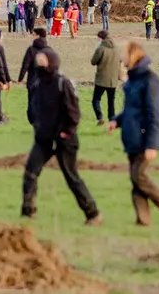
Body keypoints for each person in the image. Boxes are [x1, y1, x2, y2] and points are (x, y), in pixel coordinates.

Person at [21, 48, 101, 225]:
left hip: (64, 138)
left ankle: (93, 213)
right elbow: (35, 109)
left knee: (71, 177)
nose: (40, 66)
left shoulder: (62, 83)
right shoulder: (38, 84)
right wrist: (37, 126)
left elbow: (74, 111)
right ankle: (28, 212)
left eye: (43, 62)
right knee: (30, 172)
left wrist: (67, 131)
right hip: (44, 138)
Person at [109, 41, 159, 227]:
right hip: (132, 136)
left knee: (138, 176)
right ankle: (143, 219)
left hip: (145, 136)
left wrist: (152, 144)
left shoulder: (150, 80)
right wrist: (116, 120)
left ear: (132, 56)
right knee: (135, 177)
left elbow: (154, 114)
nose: (121, 58)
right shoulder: (132, 81)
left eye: (123, 54)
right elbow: (131, 110)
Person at [90, 30, 121, 124]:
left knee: (96, 99)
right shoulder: (116, 49)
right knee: (111, 101)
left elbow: (93, 61)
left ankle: (100, 117)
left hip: (102, 79)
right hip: (113, 80)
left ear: (100, 38)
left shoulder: (101, 49)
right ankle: (112, 119)